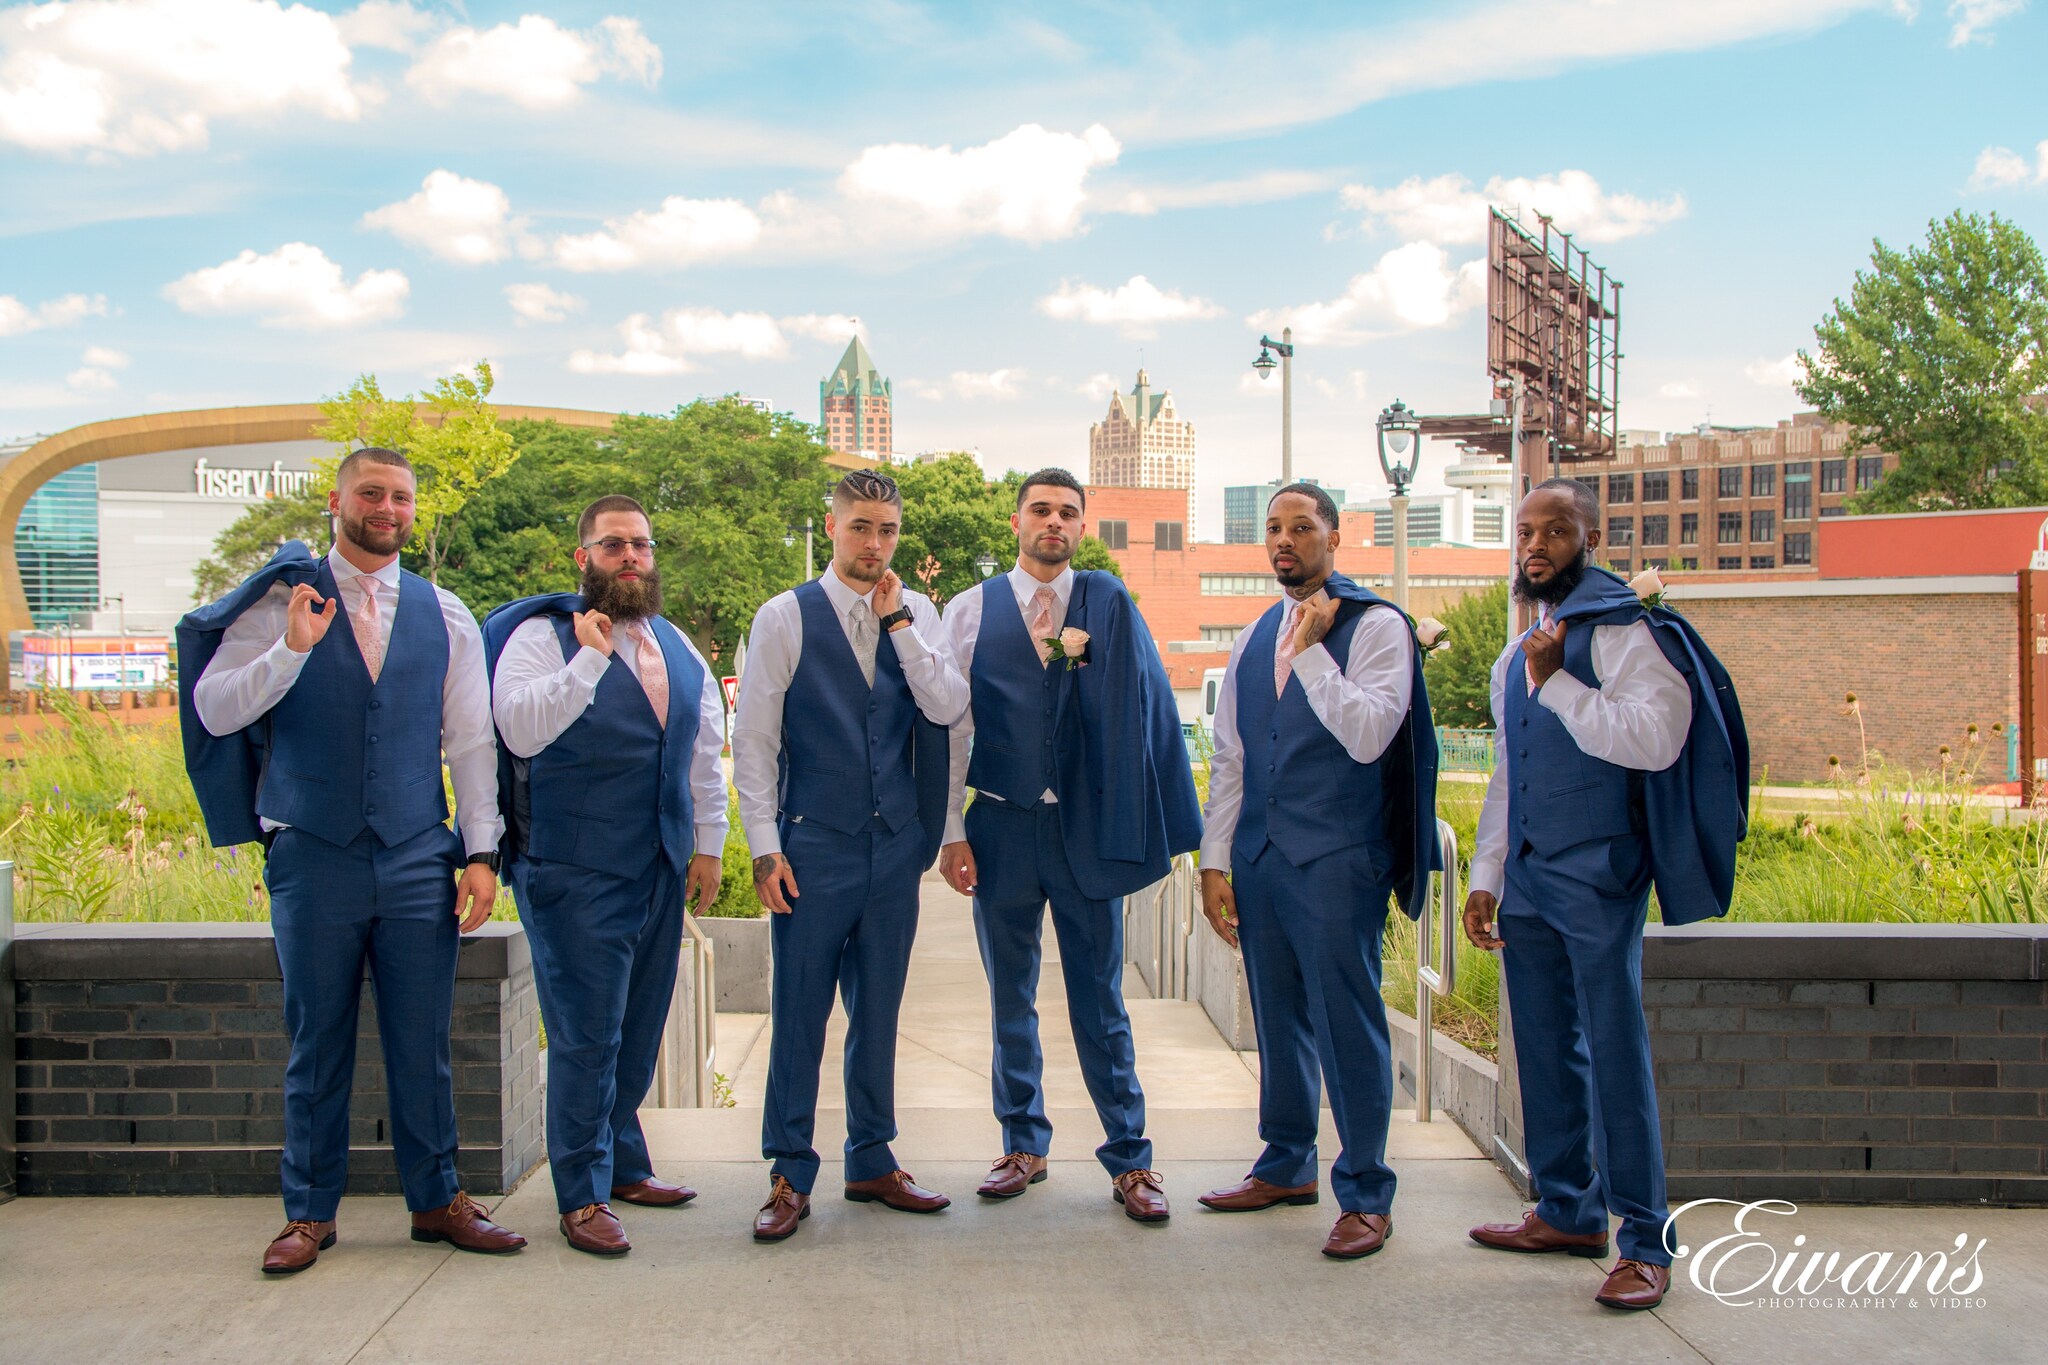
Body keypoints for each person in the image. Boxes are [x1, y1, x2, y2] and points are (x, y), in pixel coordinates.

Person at [177, 447, 525, 1275]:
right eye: (372, 492)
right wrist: (292, 647)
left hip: (415, 851)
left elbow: (471, 741)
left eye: (402, 496)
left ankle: (438, 1197)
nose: (388, 507)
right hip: (312, 851)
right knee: (316, 1040)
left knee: (422, 1042)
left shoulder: (445, 614)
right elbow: (216, 708)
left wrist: (482, 852)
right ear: (337, 499)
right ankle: (308, 1212)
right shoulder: (278, 602)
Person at [1463, 478, 1747, 1311]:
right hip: (1528, 876)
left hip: (1599, 873)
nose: (1537, 545)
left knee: (1614, 1048)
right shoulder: (1515, 655)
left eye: (1556, 530)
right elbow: (1509, 775)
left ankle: (1645, 1239)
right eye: (1525, 531)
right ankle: (1566, 1208)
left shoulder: (1626, 631)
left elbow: (1657, 741)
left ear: (1590, 536)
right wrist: (1487, 877)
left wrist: (1559, 683)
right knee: (1544, 1046)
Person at [938, 468, 1202, 1221]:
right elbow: (953, 727)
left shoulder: (1109, 602)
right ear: (1016, 520)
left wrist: (1143, 823)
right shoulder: (969, 610)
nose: (1054, 522)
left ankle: (1130, 1158)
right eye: (1041, 510)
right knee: (1009, 995)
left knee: (1101, 996)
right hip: (1000, 826)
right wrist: (953, 831)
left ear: (1082, 527)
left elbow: (1146, 711)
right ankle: (1023, 1140)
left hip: (1086, 829)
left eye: (1069, 513)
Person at [1195, 483, 1439, 1260]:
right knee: (1277, 1018)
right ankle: (1287, 1160)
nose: (1285, 539)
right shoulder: (1254, 632)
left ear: (1338, 536)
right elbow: (1232, 755)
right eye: (1274, 527)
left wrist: (1308, 657)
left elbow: (1370, 734)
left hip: (1338, 858)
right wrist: (1215, 860)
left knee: (1347, 1021)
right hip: (1264, 858)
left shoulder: (1378, 626)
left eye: (1302, 526)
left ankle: (1366, 1189)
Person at [483, 495, 727, 1256]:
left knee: (639, 1031)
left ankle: (622, 1163)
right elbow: (518, 726)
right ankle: (581, 1194)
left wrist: (709, 843)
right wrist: (589, 658)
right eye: (613, 544)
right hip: (574, 870)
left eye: (642, 545)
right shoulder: (540, 637)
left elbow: (700, 751)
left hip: (656, 865)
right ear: (582, 557)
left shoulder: (675, 642)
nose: (630, 556)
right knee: (587, 1036)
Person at [732, 468, 969, 1242]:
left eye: (888, 530)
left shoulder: (919, 610)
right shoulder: (785, 616)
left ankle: (871, 1155)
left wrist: (901, 620)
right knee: (799, 1014)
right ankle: (789, 1173)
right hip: (814, 846)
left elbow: (946, 706)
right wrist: (766, 850)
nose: (874, 543)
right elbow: (756, 742)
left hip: (892, 848)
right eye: (860, 527)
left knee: (879, 1010)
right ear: (832, 528)